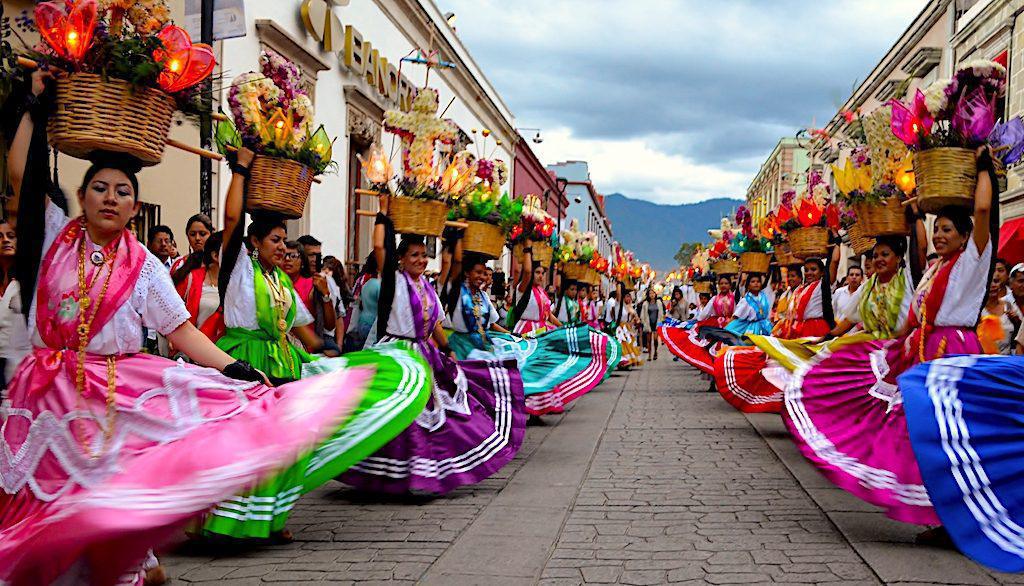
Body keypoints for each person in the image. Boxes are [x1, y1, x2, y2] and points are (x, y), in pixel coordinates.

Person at [0, 74, 428, 583]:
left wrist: (233, 368)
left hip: (110, 394)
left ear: (135, 207)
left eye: (122, 192)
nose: (110, 198)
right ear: (82, 195)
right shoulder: (56, 237)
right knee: (43, 495)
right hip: (46, 393)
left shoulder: (145, 267)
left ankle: (133, 563)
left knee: (109, 491)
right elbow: (21, 175)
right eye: (99, 189)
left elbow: (181, 332)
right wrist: (32, 104)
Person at [201, 148, 432, 540]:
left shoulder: (281, 281)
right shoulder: (238, 267)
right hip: (244, 360)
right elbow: (232, 220)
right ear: (253, 241)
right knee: (243, 443)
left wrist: (336, 358)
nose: (282, 247)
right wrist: (241, 169)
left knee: (284, 444)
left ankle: (269, 520)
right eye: (275, 240)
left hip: (284, 362)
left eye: (284, 240)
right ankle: (223, 522)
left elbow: (305, 331)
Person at [783, 148, 995, 528]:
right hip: (922, 348)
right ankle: (935, 511)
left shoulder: (973, 261)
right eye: (937, 229)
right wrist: (913, 215)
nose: (940, 235)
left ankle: (955, 514)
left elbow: (982, 211)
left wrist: (983, 168)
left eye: (948, 230)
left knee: (948, 436)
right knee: (916, 430)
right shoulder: (935, 269)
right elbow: (915, 287)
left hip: (953, 352)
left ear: (967, 236)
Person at [337, 212, 525, 494]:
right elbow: (379, 247)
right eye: (414, 255)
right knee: (401, 410)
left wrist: (447, 349)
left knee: (439, 410)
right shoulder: (394, 281)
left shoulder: (426, 286)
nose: (421, 260)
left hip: (424, 353)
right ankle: (394, 475)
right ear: (400, 259)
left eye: (424, 255)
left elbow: (435, 323)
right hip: (398, 351)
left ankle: (424, 472)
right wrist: (384, 216)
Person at [660, 276, 734, 374]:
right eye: (721, 283)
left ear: (730, 285)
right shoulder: (717, 299)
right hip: (720, 326)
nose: (723, 285)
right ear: (718, 285)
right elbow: (703, 315)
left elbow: (703, 316)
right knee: (718, 350)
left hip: (730, 325)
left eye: (726, 283)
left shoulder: (729, 298)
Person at [173, 230, 225, 344]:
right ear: (216, 256)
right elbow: (170, 313)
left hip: (225, 348)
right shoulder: (192, 279)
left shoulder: (238, 283)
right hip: (192, 347)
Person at [0, 218, 28, 388]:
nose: (5, 240)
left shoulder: (28, 280)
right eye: (0, 236)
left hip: (21, 365)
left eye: (11, 236)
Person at [637, 286, 664, 360]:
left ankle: (655, 352)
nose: (652, 295)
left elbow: (661, 313)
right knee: (648, 340)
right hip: (648, 323)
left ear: (655, 294)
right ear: (648, 295)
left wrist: (661, 321)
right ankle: (649, 355)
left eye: (653, 293)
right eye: (650, 293)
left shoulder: (659, 303)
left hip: (657, 323)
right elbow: (642, 314)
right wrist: (643, 322)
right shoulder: (645, 304)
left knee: (655, 339)